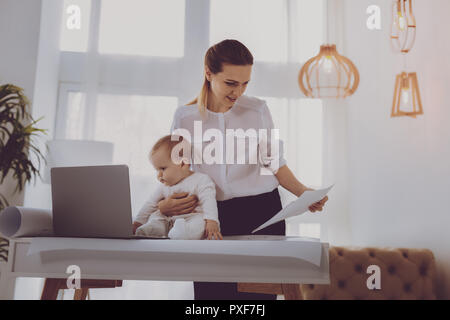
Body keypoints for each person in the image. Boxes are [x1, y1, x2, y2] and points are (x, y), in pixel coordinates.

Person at [159, 39, 328, 299]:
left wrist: (304, 192)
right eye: (231, 83)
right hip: (211, 217)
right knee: (212, 299)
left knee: (257, 300)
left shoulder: (257, 110)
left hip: (261, 214)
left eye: (245, 83)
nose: (238, 92)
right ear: (208, 73)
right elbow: (176, 174)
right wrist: (165, 206)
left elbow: (276, 163)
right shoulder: (185, 117)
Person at [132, 135, 222, 240]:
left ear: (183, 163)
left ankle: (183, 232)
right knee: (156, 216)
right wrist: (137, 223)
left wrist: (212, 221)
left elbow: (208, 201)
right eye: (157, 170)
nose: (159, 175)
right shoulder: (163, 186)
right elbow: (150, 204)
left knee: (200, 223)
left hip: (191, 217)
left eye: (162, 168)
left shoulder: (201, 180)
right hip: (167, 219)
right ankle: (153, 229)